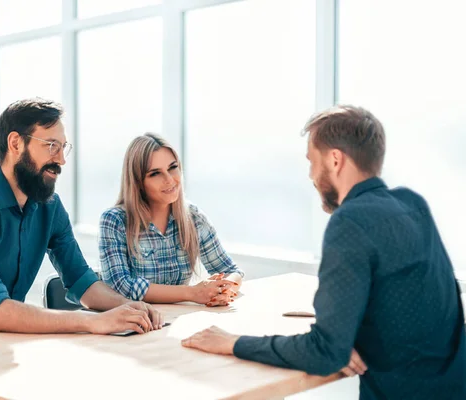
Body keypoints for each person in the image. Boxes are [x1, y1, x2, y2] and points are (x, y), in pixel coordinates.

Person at [181, 105, 466, 399]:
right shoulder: (412, 204)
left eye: (312, 162)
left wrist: (232, 343)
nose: (311, 175)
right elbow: (427, 304)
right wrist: (352, 335)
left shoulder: (350, 221)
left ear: (334, 160)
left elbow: (325, 353)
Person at [0, 99, 163, 400]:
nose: (61, 160)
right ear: (15, 143)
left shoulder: (49, 206)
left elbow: (82, 281)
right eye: (51, 146)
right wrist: (94, 322)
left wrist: (127, 308)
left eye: (63, 147)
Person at [99, 133, 243, 306]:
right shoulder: (115, 220)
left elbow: (230, 271)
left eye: (172, 167)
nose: (169, 180)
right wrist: (191, 293)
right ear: (138, 182)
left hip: (177, 320)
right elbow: (121, 286)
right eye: (155, 174)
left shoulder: (193, 217)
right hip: (134, 323)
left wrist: (225, 290)